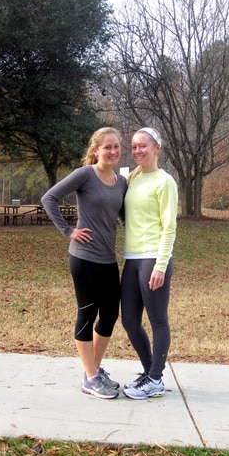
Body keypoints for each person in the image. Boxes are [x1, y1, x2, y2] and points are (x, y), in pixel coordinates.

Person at [41, 127, 127, 400]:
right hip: (84, 257)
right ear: (95, 150)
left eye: (116, 146)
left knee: (110, 314)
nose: (112, 151)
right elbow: (49, 198)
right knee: (88, 313)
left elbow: (123, 217)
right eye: (107, 147)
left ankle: (93, 371)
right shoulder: (85, 175)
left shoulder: (121, 182)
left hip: (108, 258)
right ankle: (91, 377)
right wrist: (69, 231)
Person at [121, 127, 178, 400]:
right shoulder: (132, 178)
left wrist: (161, 265)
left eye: (143, 146)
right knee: (129, 320)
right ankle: (150, 372)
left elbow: (169, 227)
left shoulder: (165, 181)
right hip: (132, 258)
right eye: (134, 146)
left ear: (157, 148)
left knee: (157, 320)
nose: (137, 151)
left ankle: (155, 379)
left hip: (154, 257)